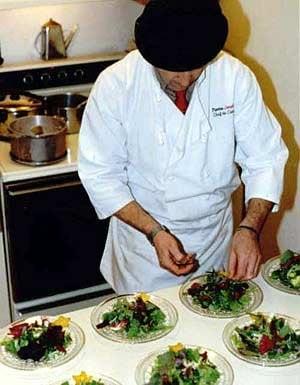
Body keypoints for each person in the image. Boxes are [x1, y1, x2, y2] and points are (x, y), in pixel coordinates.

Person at [78, 0, 288, 294]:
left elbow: (265, 158)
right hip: (143, 252)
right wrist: (155, 233)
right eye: (175, 70)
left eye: (197, 67)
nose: (186, 79)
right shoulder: (116, 85)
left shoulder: (234, 77)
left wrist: (249, 229)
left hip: (215, 243)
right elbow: (101, 176)